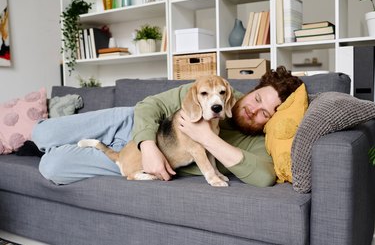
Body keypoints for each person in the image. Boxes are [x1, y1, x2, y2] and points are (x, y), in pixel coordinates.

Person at [32, 66, 303, 186]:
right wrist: (147, 144)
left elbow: (264, 177)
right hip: (131, 125)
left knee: (51, 166)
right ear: (250, 91)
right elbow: (148, 107)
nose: (253, 109)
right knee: (42, 132)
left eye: (264, 113)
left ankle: (58, 151)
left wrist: (204, 136)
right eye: (256, 99)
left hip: (142, 161)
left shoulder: (259, 142)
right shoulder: (213, 88)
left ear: (274, 119)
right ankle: (38, 146)